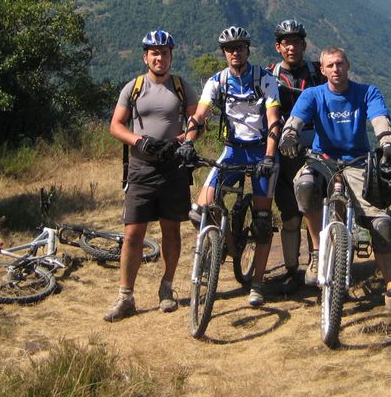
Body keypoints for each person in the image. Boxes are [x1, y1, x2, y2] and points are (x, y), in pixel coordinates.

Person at [279, 47, 391, 311]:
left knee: (382, 224)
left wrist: (386, 143)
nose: (335, 69)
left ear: (348, 65)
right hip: (321, 160)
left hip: (358, 162)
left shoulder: (366, 92)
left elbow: (379, 118)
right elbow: (295, 119)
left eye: (340, 64)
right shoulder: (312, 95)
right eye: (330, 65)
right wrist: (289, 136)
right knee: (305, 186)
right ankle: (318, 254)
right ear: (323, 69)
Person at [177, 26, 282, 307]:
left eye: (240, 47)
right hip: (232, 152)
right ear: (224, 53)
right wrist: (188, 142)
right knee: (198, 212)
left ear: (248, 50)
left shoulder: (264, 78)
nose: (235, 52)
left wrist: (270, 157)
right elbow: (200, 115)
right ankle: (223, 240)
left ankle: (257, 282)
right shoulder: (217, 81)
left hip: (262, 151)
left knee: (261, 222)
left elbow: (274, 119)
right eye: (229, 49)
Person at [105, 30, 199, 322]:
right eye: (154, 53)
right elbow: (116, 125)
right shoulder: (132, 88)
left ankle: (167, 288)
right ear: (146, 57)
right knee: (133, 233)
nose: (160, 57)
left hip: (173, 167)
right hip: (141, 168)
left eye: (165, 53)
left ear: (171, 56)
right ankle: (125, 297)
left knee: (171, 230)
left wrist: (183, 141)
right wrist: (138, 141)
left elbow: (197, 121)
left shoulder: (182, 87)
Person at [268, 19, 325, 292]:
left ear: (304, 45)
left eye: (296, 42)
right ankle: (292, 270)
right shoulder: (269, 75)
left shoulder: (318, 73)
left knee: (315, 209)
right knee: (290, 214)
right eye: (286, 42)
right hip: (283, 152)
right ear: (278, 47)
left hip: (314, 149)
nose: (292, 47)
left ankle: (318, 264)